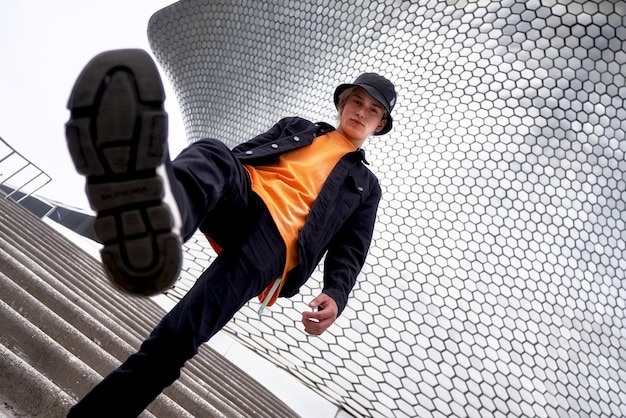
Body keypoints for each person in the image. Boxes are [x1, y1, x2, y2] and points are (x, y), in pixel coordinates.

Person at [65, 48, 397, 417]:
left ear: (379, 124)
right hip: (245, 194)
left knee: (178, 336)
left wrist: (336, 293)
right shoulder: (297, 126)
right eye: (357, 101)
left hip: (276, 243)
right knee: (214, 152)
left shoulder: (365, 184)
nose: (361, 112)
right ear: (342, 102)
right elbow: (245, 154)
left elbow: (351, 249)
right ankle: (158, 226)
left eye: (372, 110)